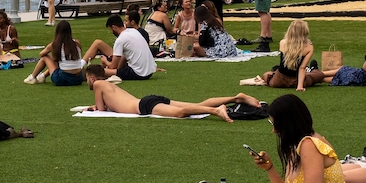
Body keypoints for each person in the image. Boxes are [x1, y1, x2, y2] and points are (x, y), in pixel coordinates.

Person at [81, 65, 250, 121]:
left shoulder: (98, 85)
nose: (88, 82)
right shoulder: (109, 85)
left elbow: (101, 109)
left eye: (88, 79)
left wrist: (93, 108)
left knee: (180, 113)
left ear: (92, 78)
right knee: (196, 106)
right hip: (147, 100)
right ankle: (236, 97)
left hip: (144, 106)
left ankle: (216, 110)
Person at [83, 14, 157, 81]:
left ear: (114, 27)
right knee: (111, 69)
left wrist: (105, 61)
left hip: (139, 73)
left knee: (102, 71)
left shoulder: (120, 39)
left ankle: (83, 74)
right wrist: (118, 69)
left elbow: (112, 66)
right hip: (149, 71)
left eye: (111, 29)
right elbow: (124, 57)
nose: (111, 32)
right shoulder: (133, 31)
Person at [261, 19, 327, 91]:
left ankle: (312, 70)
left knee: (267, 75)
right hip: (295, 81)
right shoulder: (309, 47)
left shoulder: (282, 43)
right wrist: (300, 86)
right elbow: (302, 68)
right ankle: (314, 69)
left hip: (278, 81)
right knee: (318, 75)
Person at [27, 19, 86, 85]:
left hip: (62, 79)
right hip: (78, 79)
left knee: (45, 57)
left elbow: (41, 54)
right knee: (58, 61)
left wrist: (52, 55)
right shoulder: (77, 43)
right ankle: (42, 76)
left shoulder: (55, 44)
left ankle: (32, 77)